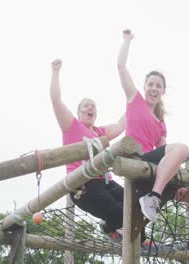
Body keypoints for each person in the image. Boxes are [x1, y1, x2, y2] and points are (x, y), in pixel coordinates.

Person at [117, 29, 189, 251]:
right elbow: (121, 67)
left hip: (151, 169)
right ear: (144, 87)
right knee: (182, 148)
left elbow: (165, 155)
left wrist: (176, 183)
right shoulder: (134, 100)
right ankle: (154, 197)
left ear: (163, 92)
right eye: (151, 84)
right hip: (137, 161)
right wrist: (127, 41)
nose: (154, 88)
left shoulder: (160, 123)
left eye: (158, 86)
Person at [50, 59, 126, 242]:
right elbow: (56, 100)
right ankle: (111, 226)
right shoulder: (72, 126)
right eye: (86, 106)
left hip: (104, 181)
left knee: (133, 204)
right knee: (119, 212)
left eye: (93, 106)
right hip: (83, 185)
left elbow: (122, 124)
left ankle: (119, 230)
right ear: (79, 112)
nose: (90, 107)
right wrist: (55, 72)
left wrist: (137, 99)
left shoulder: (100, 132)